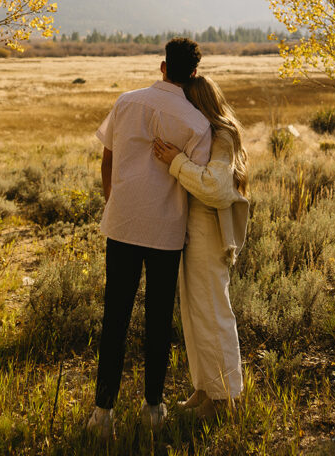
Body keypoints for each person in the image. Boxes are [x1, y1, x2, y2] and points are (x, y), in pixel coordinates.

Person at [87, 37, 211, 441]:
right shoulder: (198, 123)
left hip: (122, 224)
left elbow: (106, 158)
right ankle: (153, 407)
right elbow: (198, 182)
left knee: (115, 316)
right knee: (158, 320)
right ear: (192, 74)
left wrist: (114, 202)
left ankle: (102, 412)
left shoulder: (126, 102)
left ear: (162, 66)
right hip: (165, 230)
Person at [153, 74, 249, 420]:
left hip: (209, 232)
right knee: (195, 316)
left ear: (198, 104)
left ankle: (224, 401)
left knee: (212, 313)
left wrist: (177, 162)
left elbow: (217, 187)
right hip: (194, 232)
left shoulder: (221, 136)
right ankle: (204, 388)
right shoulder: (208, 134)